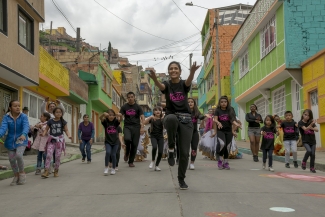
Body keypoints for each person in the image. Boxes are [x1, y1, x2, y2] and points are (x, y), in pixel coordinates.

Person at [149, 61, 200, 190]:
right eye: (171, 69)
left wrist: (193, 71)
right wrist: (154, 78)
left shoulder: (183, 84)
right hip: (171, 117)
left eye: (176, 68)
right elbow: (161, 86)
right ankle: (171, 147)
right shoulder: (167, 84)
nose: (173, 70)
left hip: (186, 120)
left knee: (184, 153)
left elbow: (188, 82)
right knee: (171, 118)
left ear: (180, 71)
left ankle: (181, 178)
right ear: (168, 71)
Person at [0, 100, 29, 185]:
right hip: (10, 141)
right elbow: (3, 128)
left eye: (18, 106)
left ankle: (22, 173)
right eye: (15, 106)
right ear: (10, 108)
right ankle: (16, 175)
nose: (17, 107)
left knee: (19, 156)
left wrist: (24, 134)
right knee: (12, 159)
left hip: (21, 140)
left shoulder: (23, 116)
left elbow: (26, 126)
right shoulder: (6, 117)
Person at [41, 107, 72, 178]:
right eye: (57, 112)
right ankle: (46, 171)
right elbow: (46, 129)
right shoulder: (50, 121)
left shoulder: (63, 121)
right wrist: (43, 134)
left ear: (62, 113)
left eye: (60, 112)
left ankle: (56, 170)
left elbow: (66, 130)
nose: (58, 113)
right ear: (53, 113)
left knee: (57, 156)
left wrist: (69, 135)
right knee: (48, 155)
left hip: (59, 141)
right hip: (51, 140)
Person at [118, 92, 145, 167]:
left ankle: (131, 161)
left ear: (134, 97)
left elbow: (142, 117)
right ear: (127, 98)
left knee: (134, 145)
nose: (130, 98)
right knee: (127, 139)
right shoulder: (124, 107)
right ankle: (127, 152)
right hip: (127, 126)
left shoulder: (138, 107)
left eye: (132, 97)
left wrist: (142, 127)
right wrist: (119, 117)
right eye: (129, 97)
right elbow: (120, 118)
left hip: (136, 127)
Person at [214, 96, 240, 170]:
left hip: (229, 131)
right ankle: (220, 159)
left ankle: (225, 162)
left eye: (225, 102)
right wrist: (218, 122)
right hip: (221, 131)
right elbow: (215, 119)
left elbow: (233, 120)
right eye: (221, 102)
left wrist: (236, 124)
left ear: (227, 103)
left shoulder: (230, 110)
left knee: (228, 146)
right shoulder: (218, 110)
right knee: (222, 144)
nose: (223, 103)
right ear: (219, 103)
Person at [100, 109, 121, 175]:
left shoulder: (115, 122)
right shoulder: (105, 122)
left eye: (112, 115)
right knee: (108, 152)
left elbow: (120, 119)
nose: (111, 116)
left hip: (116, 142)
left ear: (114, 116)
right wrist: (103, 114)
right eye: (109, 115)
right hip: (108, 141)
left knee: (113, 154)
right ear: (107, 116)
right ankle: (106, 167)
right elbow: (100, 118)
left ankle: (113, 168)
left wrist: (120, 116)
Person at [188, 98, 207, 170]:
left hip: (194, 133)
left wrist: (205, 116)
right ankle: (184, 161)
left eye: (192, 102)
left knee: (194, 148)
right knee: (185, 149)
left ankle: (192, 163)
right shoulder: (184, 112)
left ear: (194, 103)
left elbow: (201, 117)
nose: (190, 103)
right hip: (185, 134)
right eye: (188, 102)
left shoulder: (196, 112)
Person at [144, 106, 164, 171]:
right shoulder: (152, 119)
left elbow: (166, 126)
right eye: (156, 110)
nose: (157, 111)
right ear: (154, 112)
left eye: (159, 110)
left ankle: (157, 165)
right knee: (154, 147)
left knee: (161, 152)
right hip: (153, 136)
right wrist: (150, 117)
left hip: (161, 137)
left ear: (161, 112)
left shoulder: (162, 119)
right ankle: (152, 161)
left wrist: (164, 118)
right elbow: (144, 123)